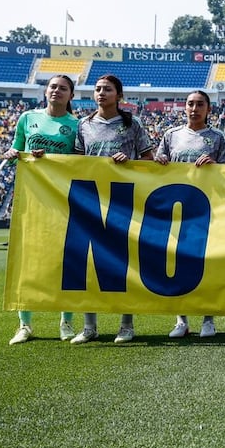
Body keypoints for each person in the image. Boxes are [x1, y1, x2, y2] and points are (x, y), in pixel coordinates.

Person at [70, 75, 155, 345]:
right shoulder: (84, 124)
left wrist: (129, 162)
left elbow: (149, 161)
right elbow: (74, 163)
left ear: (119, 95)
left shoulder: (133, 124)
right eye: (97, 89)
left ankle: (126, 324)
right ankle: (89, 325)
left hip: (122, 201)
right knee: (88, 263)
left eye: (107, 89)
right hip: (90, 201)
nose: (101, 93)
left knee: (123, 264)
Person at [4, 75, 81, 343]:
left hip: (63, 201)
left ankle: (66, 322)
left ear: (71, 94)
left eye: (63, 88)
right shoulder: (27, 118)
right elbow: (14, 152)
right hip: (31, 198)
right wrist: (14, 155)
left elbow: (80, 164)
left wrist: (52, 159)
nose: (56, 91)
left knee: (67, 261)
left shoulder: (77, 125)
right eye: (53, 87)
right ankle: (25, 325)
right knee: (28, 260)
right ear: (45, 91)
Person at [158, 90, 225, 339]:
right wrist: (161, 161)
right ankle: (181, 319)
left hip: (208, 209)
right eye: (190, 104)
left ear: (209, 109)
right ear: (184, 107)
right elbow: (158, 163)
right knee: (178, 264)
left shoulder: (219, 137)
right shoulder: (171, 135)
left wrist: (215, 164)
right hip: (177, 210)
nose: (194, 108)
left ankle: (208, 319)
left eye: (200, 104)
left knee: (206, 263)